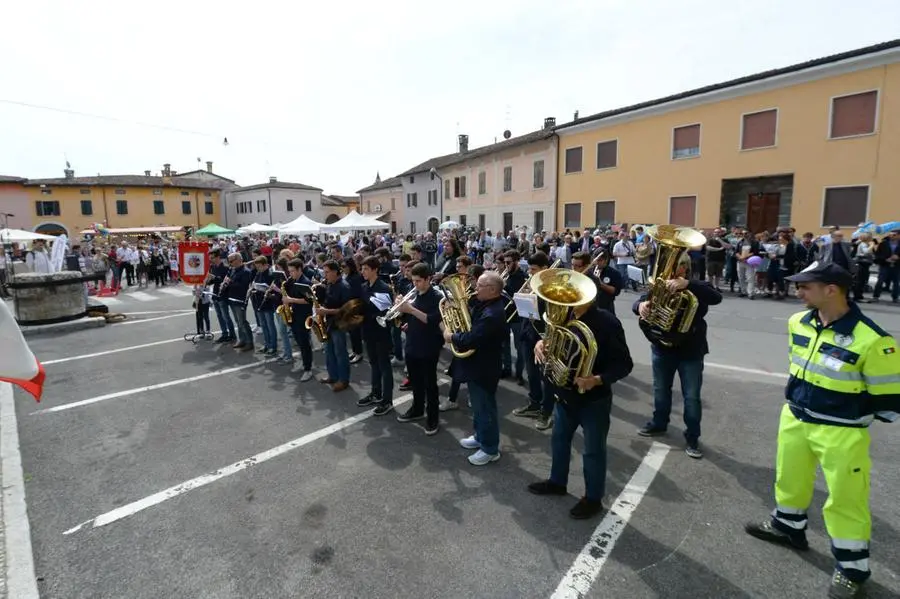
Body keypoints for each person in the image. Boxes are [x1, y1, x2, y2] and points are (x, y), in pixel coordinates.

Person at [744, 262, 900, 599]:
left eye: (805, 286)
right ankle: (788, 527)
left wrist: (845, 415)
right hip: (796, 418)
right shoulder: (797, 321)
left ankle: (852, 568)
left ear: (832, 290)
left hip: (841, 432)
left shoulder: (873, 340)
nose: (798, 292)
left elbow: (888, 402)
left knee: (846, 500)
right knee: (789, 479)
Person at [528, 296, 634, 519]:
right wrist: (541, 344)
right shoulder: (564, 317)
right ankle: (557, 482)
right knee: (559, 441)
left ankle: (593, 498)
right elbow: (551, 340)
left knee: (593, 451)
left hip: (593, 399)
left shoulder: (607, 321)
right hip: (564, 394)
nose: (564, 301)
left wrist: (596, 379)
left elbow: (624, 364)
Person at [633, 254, 722, 458]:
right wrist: (640, 306)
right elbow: (638, 302)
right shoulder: (660, 284)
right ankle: (659, 423)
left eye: (676, 266)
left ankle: (692, 437)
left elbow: (716, 298)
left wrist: (688, 284)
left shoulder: (698, 286)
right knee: (660, 389)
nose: (672, 269)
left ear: (685, 268)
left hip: (690, 351)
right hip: (662, 348)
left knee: (691, 397)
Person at [443, 271, 508, 466]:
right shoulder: (485, 304)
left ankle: (490, 449)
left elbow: (472, 338)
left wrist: (451, 336)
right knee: (480, 408)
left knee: (485, 408)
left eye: (479, 286)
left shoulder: (492, 314)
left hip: (484, 367)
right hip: (478, 364)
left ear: (493, 290)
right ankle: (480, 437)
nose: (474, 288)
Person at [395, 262, 444, 434]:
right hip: (412, 343)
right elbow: (410, 316)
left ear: (428, 279)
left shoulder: (437, 298)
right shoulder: (414, 293)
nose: (415, 284)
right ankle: (417, 409)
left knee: (430, 384)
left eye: (418, 281)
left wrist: (411, 310)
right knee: (415, 381)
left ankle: (433, 417)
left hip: (429, 346)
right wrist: (403, 312)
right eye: (413, 281)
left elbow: (433, 320)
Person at [511, 251, 553, 427]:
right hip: (528, 333)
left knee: (546, 376)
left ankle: (547, 411)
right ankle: (534, 403)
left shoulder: (552, 287)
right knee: (532, 373)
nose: (530, 273)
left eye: (534, 269)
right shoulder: (530, 282)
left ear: (544, 269)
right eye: (529, 269)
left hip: (543, 336)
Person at [356, 256, 395, 415]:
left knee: (384, 366)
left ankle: (387, 400)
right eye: (362, 268)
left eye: (366, 269)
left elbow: (386, 313)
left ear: (375, 270)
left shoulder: (384, 288)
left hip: (381, 333)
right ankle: (376, 393)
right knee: (373, 363)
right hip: (368, 332)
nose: (363, 271)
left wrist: (367, 316)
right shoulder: (364, 287)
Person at [279, 258, 314, 381]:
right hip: (294, 315)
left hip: (304, 317)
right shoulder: (291, 280)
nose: (290, 274)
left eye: (293, 271)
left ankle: (308, 369)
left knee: (305, 344)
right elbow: (284, 290)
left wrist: (291, 300)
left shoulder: (306, 282)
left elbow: (309, 301)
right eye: (289, 271)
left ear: (300, 269)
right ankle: (304, 363)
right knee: (298, 342)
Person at [500, 250, 527, 384]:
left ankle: (519, 374)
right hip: (505, 315)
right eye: (505, 262)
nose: (506, 265)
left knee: (519, 347)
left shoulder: (522, 276)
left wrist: (505, 287)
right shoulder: (506, 275)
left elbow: (518, 296)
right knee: (504, 345)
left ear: (516, 262)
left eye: (509, 263)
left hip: (517, 316)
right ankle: (507, 369)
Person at [222, 253, 254, 351]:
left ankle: (249, 342)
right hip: (232, 298)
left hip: (240, 299)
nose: (230, 263)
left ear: (239, 260)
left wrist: (230, 282)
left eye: (231, 261)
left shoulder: (246, 271)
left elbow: (243, 286)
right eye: (229, 261)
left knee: (242, 322)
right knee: (238, 322)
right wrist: (225, 284)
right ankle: (242, 339)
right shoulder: (232, 270)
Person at [574, 250, 621, 315]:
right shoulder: (589, 270)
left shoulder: (614, 273)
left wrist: (600, 284)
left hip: (606, 307)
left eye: (600, 260)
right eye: (595, 260)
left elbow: (616, 291)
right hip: (588, 307)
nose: (597, 263)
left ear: (606, 260)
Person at [207, 251, 235, 343]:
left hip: (223, 295)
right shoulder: (213, 267)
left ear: (218, 257)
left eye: (213, 257)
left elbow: (224, 281)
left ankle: (232, 334)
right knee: (219, 316)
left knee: (225, 316)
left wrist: (213, 277)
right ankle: (224, 334)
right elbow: (213, 281)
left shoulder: (226, 268)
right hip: (215, 294)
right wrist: (208, 281)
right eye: (210, 258)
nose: (211, 260)